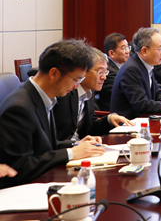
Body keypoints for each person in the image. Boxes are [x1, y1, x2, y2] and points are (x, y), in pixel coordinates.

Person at [0, 40, 105, 189]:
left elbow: (46, 145)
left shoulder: (43, 97)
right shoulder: (19, 108)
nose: (76, 86)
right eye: (76, 80)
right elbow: (18, 166)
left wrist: (77, 145)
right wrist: (70, 153)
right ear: (54, 73)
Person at [54, 47, 133, 141]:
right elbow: (59, 135)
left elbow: (89, 127)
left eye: (105, 72)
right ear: (83, 71)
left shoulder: (90, 92)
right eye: (100, 72)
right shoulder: (64, 93)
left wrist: (109, 119)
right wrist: (75, 145)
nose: (104, 77)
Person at [110, 28, 161, 119]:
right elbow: (141, 105)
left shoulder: (146, 65)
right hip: (128, 124)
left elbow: (157, 91)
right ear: (144, 51)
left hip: (143, 119)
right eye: (160, 48)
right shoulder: (132, 69)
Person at [96, 33, 130, 111]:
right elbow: (126, 94)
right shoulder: (108, 71)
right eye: (124, 48)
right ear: (112, 53)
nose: (128, 51)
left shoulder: (126, 66)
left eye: (128, 47)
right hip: (116, 113)